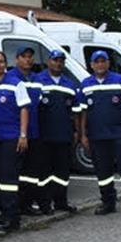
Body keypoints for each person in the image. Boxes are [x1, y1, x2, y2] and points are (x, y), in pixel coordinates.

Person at [79, 50, 121, 220]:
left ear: (108, 63)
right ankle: (108, 203)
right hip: (96, 136)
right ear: (92, 65)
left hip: (119, 135)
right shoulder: (85, 84)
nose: (100, 64)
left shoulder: (120, 81)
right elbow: (82, 113)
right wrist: (83, 135)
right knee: (103, 173)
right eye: (97, 61)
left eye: (103, 61)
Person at [0, 50, 30, 232]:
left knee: (8, 178)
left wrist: (23, 135)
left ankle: (12, 216)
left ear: (6, 64)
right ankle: (4, 212)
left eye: (1, 61)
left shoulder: (16, 84)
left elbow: (24, 109)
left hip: (11, 137)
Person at [34, 49, 80, 214]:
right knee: (44, 173)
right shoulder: (38, 80)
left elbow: (76, 111)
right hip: (44, 136)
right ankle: (44, 204)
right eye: (55, 60)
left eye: (61, 61)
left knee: (62, 172)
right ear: (48, 62)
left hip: (64, 136)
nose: (58, 63)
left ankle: (61, 202)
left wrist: (76, 131)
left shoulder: (69, 84)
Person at [5, 46, 43, 216]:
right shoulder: (11, 78)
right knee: (16, 172)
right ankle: (16, 206)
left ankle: (28, 204)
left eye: (30, 57)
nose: (28, 59)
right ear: (16, 60)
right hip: (17, 134)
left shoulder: (37, 79)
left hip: (35, 133)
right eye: (24, 56)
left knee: (31, 172)